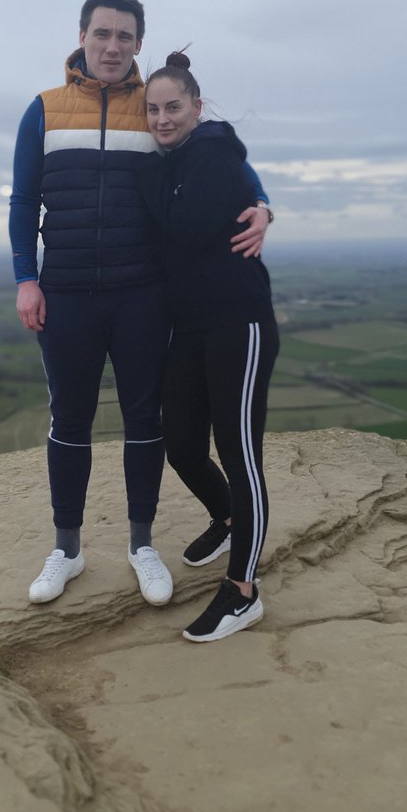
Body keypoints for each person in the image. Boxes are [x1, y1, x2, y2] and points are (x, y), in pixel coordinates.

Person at [8, 0, 272, 607]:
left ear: (138, 44)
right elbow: (23, 201)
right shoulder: (44, 110)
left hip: (142, 295)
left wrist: (262, 204)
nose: (112, 46)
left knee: (144, 422)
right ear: (81, 35)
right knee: (69, 419)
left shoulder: (152, 104)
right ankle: (67, 551)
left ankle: (142, 545)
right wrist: (26, 277)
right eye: (102, 34)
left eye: (125, 37)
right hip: (67, 292)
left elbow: (226, 154)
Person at [139, 51, 280, 642]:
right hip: (191, 328)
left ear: (197, 107)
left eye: (174, 107)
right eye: (153, 110)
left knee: (240, 452)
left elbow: (187, 228)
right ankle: (226, 517)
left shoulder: (215, 154)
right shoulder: (172, 161)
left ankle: (242, 591)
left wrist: (139, 181)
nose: (163, 119)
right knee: (183, 445)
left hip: (238, 322)